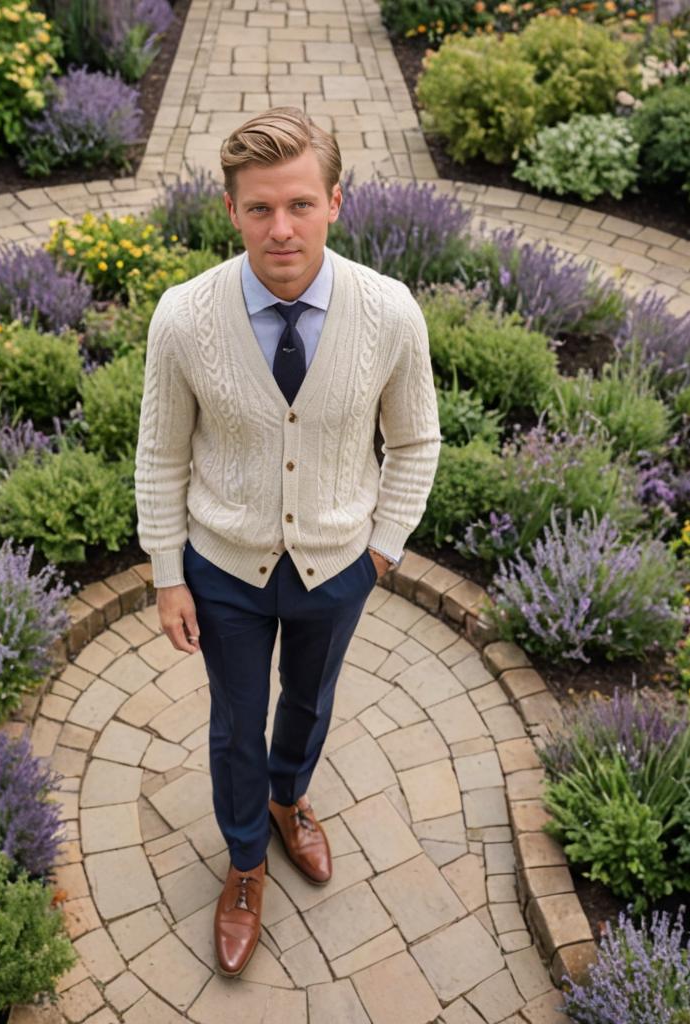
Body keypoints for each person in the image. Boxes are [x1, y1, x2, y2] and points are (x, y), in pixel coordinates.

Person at [134, 107, 441, 978]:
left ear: (335, 202)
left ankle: (291, 797)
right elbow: (159, 454)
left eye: (301, 205)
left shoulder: (389, 311)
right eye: (261, 209)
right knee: (235, 725)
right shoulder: (183, 317)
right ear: (230, 210)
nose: (282, 229)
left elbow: (416, 441)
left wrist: (381, 549)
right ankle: (242, 863)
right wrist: (167, 576)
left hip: (339, 565)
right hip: (221, 569)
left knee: (308, 701)